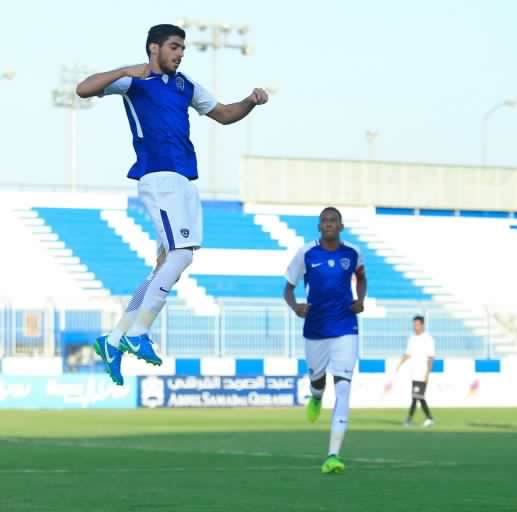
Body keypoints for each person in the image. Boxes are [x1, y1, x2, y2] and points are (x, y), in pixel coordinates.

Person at [76, 24, 268, 385]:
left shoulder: (185, 86)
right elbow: (83, 88)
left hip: (184, 181)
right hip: (158, 177)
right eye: (175, 47)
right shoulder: (135, 82)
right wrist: (124, 71)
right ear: (154, 48)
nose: (180, 53)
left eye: (183, 48)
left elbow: (224, 114)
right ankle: (138, 333)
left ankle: (114, 340)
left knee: (164, 264)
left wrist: (249, 101)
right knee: (181, 256)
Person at [283, 207, 367, 474]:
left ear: (341, 226)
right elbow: (288, 287)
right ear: (319, 227)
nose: (329, 224)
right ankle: (316, 396)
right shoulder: (307, 253)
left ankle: (333, 455)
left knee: (343, 388)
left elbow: (362, 278)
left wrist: (360, 300)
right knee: (318, 381)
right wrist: (295, 306)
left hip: (345, 327)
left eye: (334, 221)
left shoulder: (352, 253)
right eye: (325, 221)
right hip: (316, 329)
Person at [393, 315, 435, 427]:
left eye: (417, 324)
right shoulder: (412, 338)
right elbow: (408, 353)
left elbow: (430, 357)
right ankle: (428, 418)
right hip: (414, 372)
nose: (415, 326)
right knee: (418, 397)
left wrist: (427, 374)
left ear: (422, 325)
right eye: (414, 324)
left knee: (417, 397)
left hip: (422, 372)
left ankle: (411, 419)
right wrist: (399, 364)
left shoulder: (428, 338)